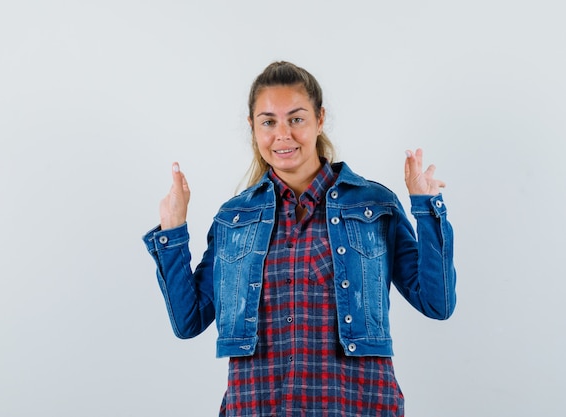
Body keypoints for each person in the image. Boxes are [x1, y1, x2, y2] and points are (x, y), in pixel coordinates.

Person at [143, 61, 456, 417]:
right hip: (257, 406)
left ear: (319, 119)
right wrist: (173, 230)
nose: (282, 134)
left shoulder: (375, 206)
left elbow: (437, 302)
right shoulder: (234, 220)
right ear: (253, 127)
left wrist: (426, 208)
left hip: (358, 405)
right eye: (268, 122)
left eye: (296, 119)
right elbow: (189, 321)